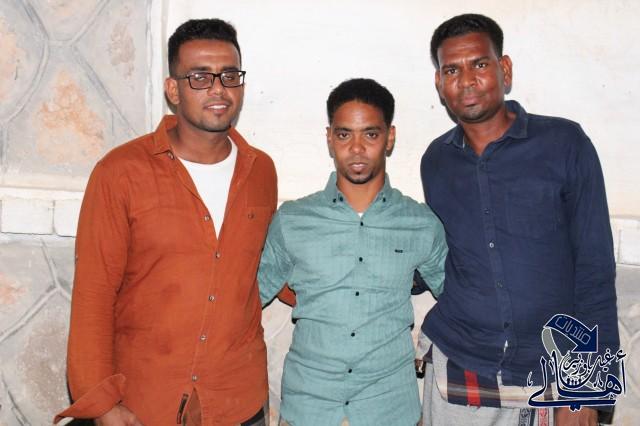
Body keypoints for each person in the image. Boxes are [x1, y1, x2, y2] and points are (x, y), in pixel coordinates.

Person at [54, 19, 277, 426]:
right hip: (144, 402)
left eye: (229, 75)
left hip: (237, 400)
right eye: (199, 77)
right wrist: (101, 403)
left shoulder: (261, 171)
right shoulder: (120, 172)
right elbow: (94, 293)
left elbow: (269, 263)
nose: (218, 89)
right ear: (173, 90)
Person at [416, 13, 619, 426]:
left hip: (551, 371)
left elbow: (595, 269)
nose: (466, 80)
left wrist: (587, 391)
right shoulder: (436, 161)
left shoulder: (564, 144)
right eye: (451, 70)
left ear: (504, 69)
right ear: (439, 84)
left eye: (479, 64)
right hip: (461, 367)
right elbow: (437, 254)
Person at [258, 78, 447, 426]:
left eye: (370, 134)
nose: (357, 148)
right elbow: (245, 300)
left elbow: (461, 299)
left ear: (389, 138)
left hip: (390, 410)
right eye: (344, 134)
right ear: (329, 138)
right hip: (309, 409)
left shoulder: (420, 224)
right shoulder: (293, 220)